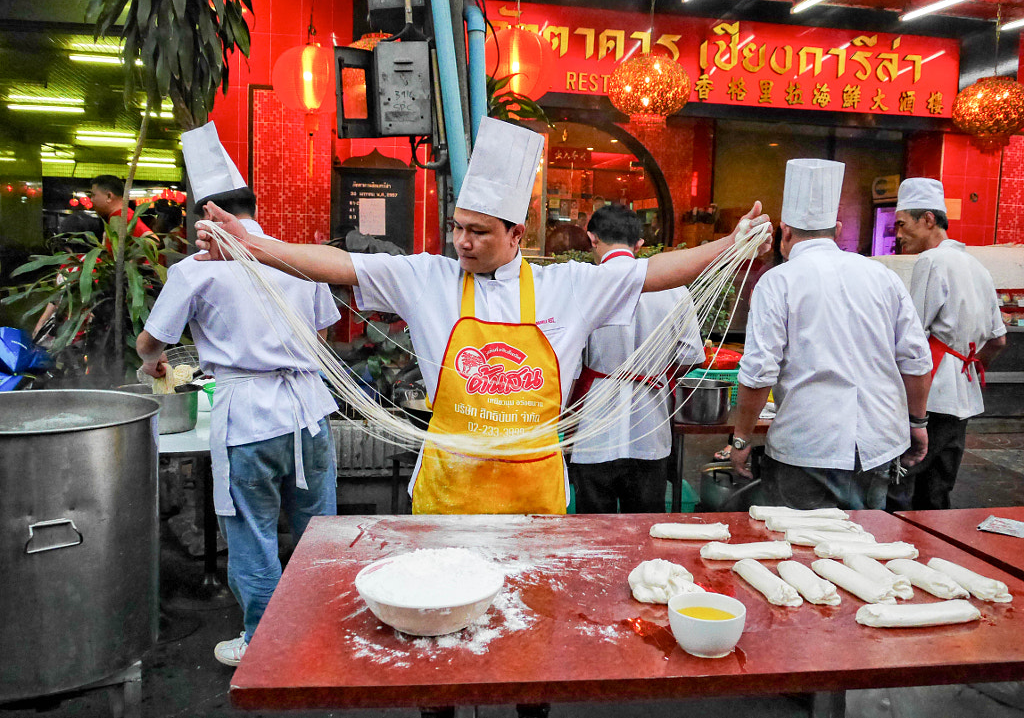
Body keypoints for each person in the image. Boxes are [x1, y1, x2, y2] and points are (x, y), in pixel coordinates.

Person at [195, 117, 771, 517]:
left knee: (531, 642)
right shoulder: (428, 278)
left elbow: (654, 273)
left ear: (516, 233)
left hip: (533, 500)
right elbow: (337, 264)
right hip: (450, 496)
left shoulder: (566, 287)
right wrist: (253, 244)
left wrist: (730, 245)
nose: (462, 243)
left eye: (479, 232)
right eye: (457, 227)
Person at [136, 122, 340, 667]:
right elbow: (319, 333)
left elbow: (150, 341)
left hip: (248, 420)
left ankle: (266, 642)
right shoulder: (296, 257)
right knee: (321, 530)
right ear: (251, 206)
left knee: (251, 533)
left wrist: (151, 358)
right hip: (312, 413)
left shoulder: (193, 270)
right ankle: (326, 628)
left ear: (209, 216)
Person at [729, 159, 933, 510]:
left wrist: (741, 438)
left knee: (798, 551)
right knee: (865, 554)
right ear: (837, 230)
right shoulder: (881, 276)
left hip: (807, 447)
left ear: (784, 231)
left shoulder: (777, 282)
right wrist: (918, 423)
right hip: (879, 443)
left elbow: (759, 372)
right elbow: (916, 360)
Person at [569, 205, 703, 513]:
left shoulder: (583, 287)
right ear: (639, 245)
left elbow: (571, 366)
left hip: (594, 430)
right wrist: (651, 368)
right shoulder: (674, 290)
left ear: (592, 239)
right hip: (650, 429)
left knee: (595, 537)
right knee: (645, 533)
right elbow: (690, 354)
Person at [886, 178, 1007, 511]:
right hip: (964, 396)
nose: (897, 234)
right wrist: (967, 364)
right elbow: (999, 340)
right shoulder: (977, 266)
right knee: (938, 492)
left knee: (903, 487)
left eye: (901, 224)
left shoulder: (932, 261)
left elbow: (911, 335)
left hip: (931, 393)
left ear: (927, 219)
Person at [89, 175, 155, 241]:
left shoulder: (123, 217)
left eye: (93, 195)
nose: (91, 200)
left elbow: (153, 240)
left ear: (109, 196)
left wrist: (132, 250)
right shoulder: (116, 218)